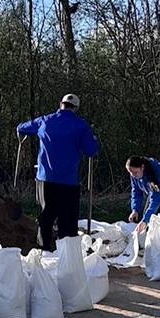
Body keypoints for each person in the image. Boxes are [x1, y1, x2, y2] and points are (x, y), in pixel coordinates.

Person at [17, 93, 101, 251]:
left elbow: (22, 127)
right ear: (76, 108)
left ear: (60, 104)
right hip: (69, 181)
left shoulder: (45, 121)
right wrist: (95, 141)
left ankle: (44, 250)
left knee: (46, 215)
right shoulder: (81, 125)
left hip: (46, 179)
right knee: (68, 219)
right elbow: (91, 150)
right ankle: (66, 253)